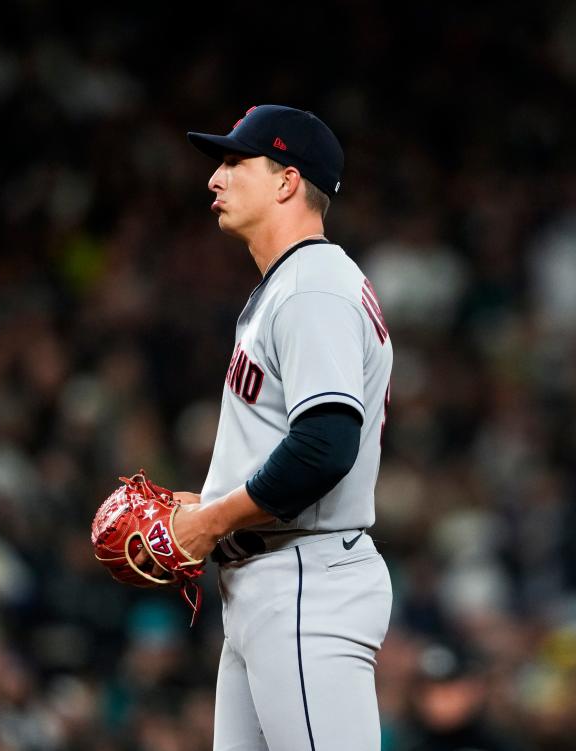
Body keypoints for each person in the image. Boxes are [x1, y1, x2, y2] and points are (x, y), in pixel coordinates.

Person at [167, 104, 394, 750]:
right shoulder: (293, 285)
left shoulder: (313, 284)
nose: (216, 178)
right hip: (270, 585)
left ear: (287, 182)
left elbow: (325, 447)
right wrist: (209, 504)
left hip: (304, 583)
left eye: (236, 162)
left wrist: (211, 522)